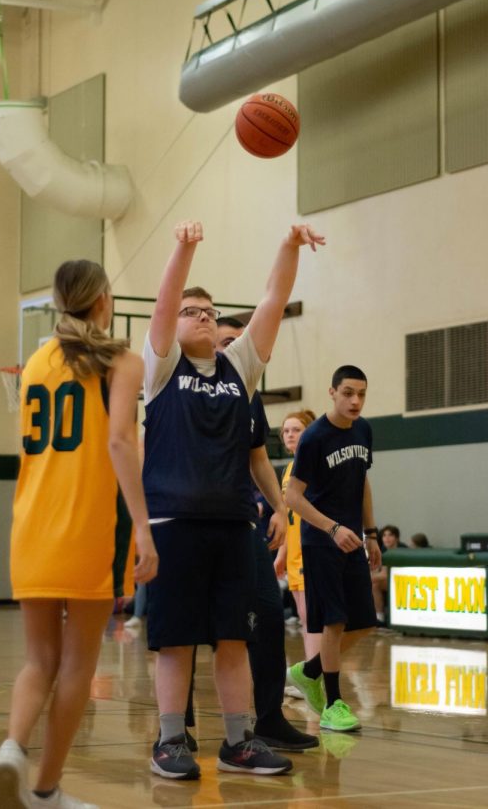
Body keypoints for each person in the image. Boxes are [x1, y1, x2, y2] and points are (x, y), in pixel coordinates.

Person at [142, 220, 324, 780]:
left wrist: (287, 246)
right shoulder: (162, 368)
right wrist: (185, 248)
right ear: (173, 325)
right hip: (173, 522)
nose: (204, 316)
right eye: (192, 311)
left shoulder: (237, 370)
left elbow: (272, 300)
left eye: (210, 311)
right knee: (174, 641)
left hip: (231, 524)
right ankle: (172, 740)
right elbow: (166, 301)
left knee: (233, 639)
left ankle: (239, 741)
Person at [0, 259, 158, 809]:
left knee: (38, 659)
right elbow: (119, 443)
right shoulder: (122, 360)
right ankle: (44, 790)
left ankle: (12, 750)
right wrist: (142, 525)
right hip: (86, 525)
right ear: (105, 299)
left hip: (30, 526)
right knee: (76, 666)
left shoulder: (37, 362)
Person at [211, 318, 318, 751]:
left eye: (238, 342)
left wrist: (276, 507)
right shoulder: (180, 388)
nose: (233, 349)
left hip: (244, 522)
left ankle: (271, 718)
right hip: (193, 521)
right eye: (224, 342)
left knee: (270, 617)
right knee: (191, 630)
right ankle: (176, 728)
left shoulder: (248, 395)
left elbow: (258, 458)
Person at [285, 365, 381, 732]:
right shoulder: (314, 438)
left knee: (365, 623)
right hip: (321, 540)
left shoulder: (364, 430)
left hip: (353, 538)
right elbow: (293, 496)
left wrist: (370, 532)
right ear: (332, 392)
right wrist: (333, 527)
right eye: (348, 393)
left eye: (361, 394)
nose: (355, 401)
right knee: (335, 621)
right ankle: (333, 704)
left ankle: (307, 672)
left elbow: (363, 482)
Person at [274, 410, 323, 665]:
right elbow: (288, 516)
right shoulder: (289, 468)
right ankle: (310, 676)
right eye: (286, 430)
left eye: (296, 430)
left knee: (312, 619)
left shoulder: (313, 464)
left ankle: (315, 677)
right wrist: (281, 554)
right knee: (305, 619)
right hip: (292, 553)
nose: (290, 434)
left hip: (310, 550)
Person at [372, 524, 407, 624]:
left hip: (405, 581)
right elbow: (378, 571)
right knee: (373, 583)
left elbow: (384, 575)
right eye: (384, 535)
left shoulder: (402, 550)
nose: (386, 538)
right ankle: (378, 616)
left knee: (374, 584)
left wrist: (366, 578)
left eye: (390, 535)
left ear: (397, 538)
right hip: (391, 580)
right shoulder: (383, 551)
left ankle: (380, 617)